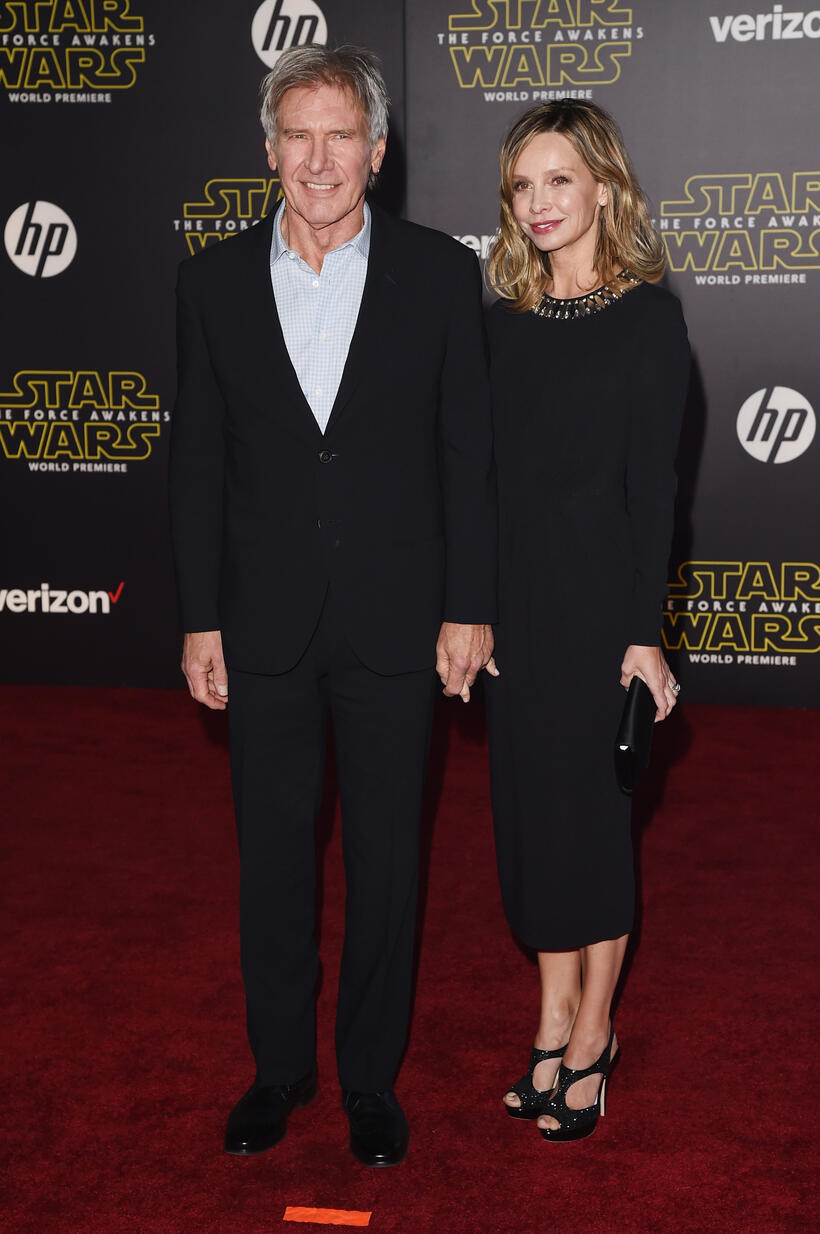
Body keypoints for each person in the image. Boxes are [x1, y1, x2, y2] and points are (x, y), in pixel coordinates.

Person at [168, 45, 496, 1167]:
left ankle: (368, 1078)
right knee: (272, 857)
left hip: (398, 615)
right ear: (268, 151)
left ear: (377, 150)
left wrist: (468, 604)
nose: (319, 159)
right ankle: (278, 1069)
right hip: (260, 617)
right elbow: (197, 463)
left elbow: (467, 453)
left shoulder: (439, 274)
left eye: (340, 135)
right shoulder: (210, 281)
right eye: (297, 136)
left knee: (387, 861)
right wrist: (200, 616)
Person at [484, 99, 690, 1142]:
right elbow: (479, 484)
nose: (539, 203)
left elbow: (655, 491)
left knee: (593, 833)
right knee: (532, 830)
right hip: (519, 614)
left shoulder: (648, 318)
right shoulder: (501, 323)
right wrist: (473, 612)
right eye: (522, 185)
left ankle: (593, 1032)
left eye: (558, 178)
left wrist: (642, 632)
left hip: (603, 616)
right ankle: (551, 1013)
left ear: (604, 186)